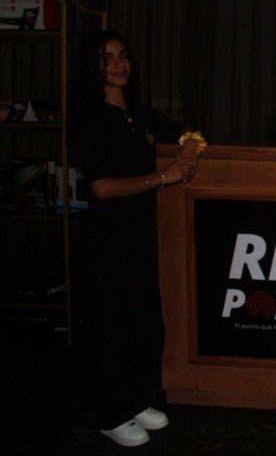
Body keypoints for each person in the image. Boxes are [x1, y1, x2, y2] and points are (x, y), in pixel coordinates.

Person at [69, 31, 206, 447]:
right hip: (104, 241)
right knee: (110, 330)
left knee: (145, 326)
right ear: (91, 68)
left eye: (122, 55)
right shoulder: (89, 118)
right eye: (106, 58)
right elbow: (103, 188)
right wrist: (163, 177)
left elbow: (187, 132)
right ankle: (112, 414)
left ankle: (136, 399)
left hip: (138, 237)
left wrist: (190, 148)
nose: (118, 64)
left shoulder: (137, 112)